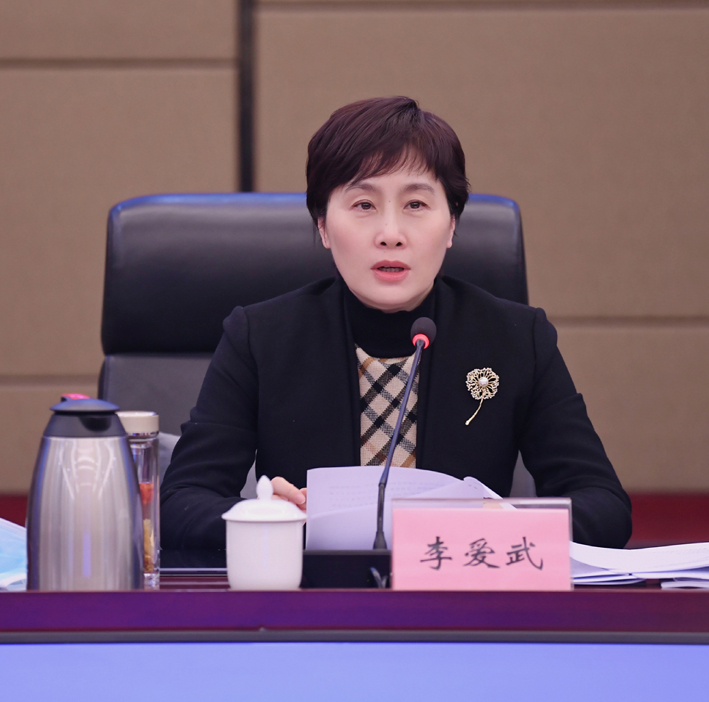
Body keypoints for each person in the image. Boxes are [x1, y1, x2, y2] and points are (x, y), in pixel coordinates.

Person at [161, 96, 632, 550]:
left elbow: (604, 506)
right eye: (363, 205)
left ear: (452, 224)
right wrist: (268, 519)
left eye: (416, 205)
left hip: (460, 594)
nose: (390, 235)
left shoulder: (516, 338)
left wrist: (500, 524)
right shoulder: (260, 338)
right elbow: (180, 503)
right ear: (323, 225)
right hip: (313, 598)